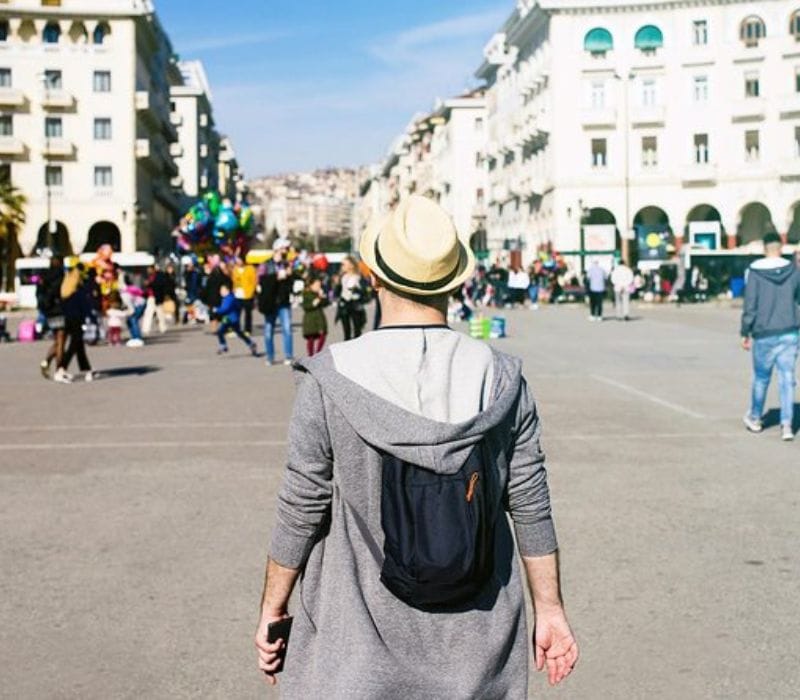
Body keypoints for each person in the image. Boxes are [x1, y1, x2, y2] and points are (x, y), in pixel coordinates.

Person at [255, 195, 578, 697]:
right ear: (456, 282)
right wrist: (551, 610)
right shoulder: (503, 381)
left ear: (375, 277)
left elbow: (302, 508)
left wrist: (273, 609)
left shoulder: (329, 379)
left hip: (354, 653)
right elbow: (530, 504)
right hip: (475, 650)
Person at [741, 232, 800, 442]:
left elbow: (750, 304)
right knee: (787, 379)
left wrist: (745, 331)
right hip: (790, 331)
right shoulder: (793, 271)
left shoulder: (755, 272)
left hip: (764, 332)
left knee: (761, 378)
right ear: (781, 246)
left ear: (765, 248)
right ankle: (787, 425)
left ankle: (755, 418)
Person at [257, 242, 295, 366]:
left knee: (287, 329)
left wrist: (290, 276)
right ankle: (270, 356)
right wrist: (276, 276)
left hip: (283, 302)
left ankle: (288, 356)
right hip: (270, 303)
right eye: (285, 248)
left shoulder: (287, 264)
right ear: (277, 249)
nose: (286, 251)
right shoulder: (265, 265)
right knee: (268, 330)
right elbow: (262, 282)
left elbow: (290, 284)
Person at [59, 264, 94, 383]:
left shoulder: (66, 286)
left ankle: (86, 369)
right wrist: (91, 317)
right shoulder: (77, 288)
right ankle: (61, 369)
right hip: (77, 319)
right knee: (74, 345)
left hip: (69, 319)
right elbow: (85, 305)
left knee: (79, 345)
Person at [38, 256, 67, 380]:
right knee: (61, 340)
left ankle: (46, 362)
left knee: (58, 339)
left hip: (49, 312)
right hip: (60, 310)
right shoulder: (61, 276)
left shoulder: (44, 277)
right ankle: (59, 369)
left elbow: (39, 294)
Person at [213, 283, 258, 357]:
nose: (221, 292)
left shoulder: (229, 298)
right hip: (229, 318)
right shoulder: (227, 298)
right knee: (238, 332)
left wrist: (216, 310)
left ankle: (223, 345)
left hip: (231, 319)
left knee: (221, 331)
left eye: (222, 290)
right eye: (220, 290)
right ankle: (251, 343)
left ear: (227, 290)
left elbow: (225, 309)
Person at [335, 255, 368, 341]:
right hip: (344, 305)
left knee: (357, 329)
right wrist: (337, 284)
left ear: (351, 265)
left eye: (344, 264)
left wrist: (357, 290)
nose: (342, 266)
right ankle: (347, 347)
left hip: (355, 304)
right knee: (346, 331)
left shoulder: (358, 277)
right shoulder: (342, 277)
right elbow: (337, 293)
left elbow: (366, 292)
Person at [302, 277, 329, 357]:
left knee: (322, 336)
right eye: (317, 285)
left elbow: (326, 303)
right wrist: (317, 300)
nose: (319, 287)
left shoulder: (319, 294)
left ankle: (318, 353)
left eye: (320, 285)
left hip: (320, 319)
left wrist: (323, 297)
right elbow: (307, 306)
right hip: (310, 320)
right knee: (311, 338)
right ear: (311, 285)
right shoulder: (306, 294)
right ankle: (311, 355)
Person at [232, 257, 258, 335]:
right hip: (237, 294)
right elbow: (233, 280)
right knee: (236, 313)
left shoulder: (250, 268)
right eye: (236, 260)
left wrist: (252, 291)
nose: (238, 262)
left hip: (247, 294)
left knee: (248, 313)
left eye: (239, 259)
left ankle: (248, 330)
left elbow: (254, 281)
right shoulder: (235, 269)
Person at [142, 265, 168, 336]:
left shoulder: (159, 276)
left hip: (157, 297)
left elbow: (159, 285)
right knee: (148, 313)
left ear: (153, 269)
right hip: (150, 297)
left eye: (149, 269)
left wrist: (150, 284)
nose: (148, 271)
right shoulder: (148, 276)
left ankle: (163, 328)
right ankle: (145, 329)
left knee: (160, 313)